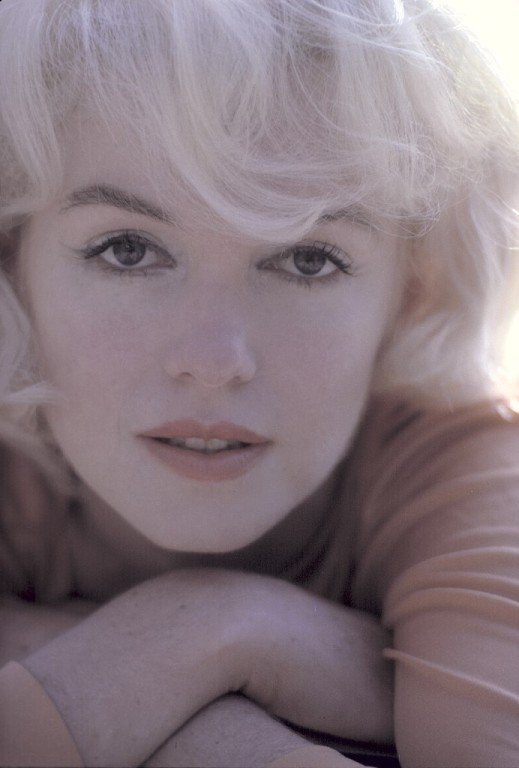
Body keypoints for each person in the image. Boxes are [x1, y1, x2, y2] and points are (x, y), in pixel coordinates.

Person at [0, 0, 517, 766]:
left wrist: (220, 632)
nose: (214, 360)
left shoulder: (466, 479)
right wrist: (216, 701)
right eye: (127, 250)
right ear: (13, 263)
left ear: (410, 292)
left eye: (308, 260)